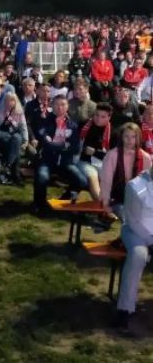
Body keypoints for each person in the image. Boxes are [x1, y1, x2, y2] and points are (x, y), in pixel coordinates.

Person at [114, 165, 153, 329]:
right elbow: (134, 220)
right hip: (135, 231)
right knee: (138, 255)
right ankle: (125, 308)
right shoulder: (134, 186)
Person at [33, 95, 88, 210]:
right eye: (57, 104)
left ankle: (63, 200)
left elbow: (76, 147)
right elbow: (45, 142)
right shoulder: (44, 121)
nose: (60, 107)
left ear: (67, 107)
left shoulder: (73, 124)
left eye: (63, 104)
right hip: (47, 159)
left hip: (65, 162)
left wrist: (55, 144)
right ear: (52, 106)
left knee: (82, 181)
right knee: (42, 177)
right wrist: (64, 145)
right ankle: (39, 204)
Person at [99, 123, 152, 221]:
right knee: (128, 217)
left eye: (133, 137)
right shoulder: (112, 156)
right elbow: (106, 182)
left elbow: (148, 185)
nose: (129, 140)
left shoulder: (146, 158)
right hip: (117, 199)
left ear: (138, 138)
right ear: (121, 137)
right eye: (126, 136)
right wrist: (105, 204)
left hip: (138, 200)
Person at [0, 92, 29, 185]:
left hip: (14, 138)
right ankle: (15, 175)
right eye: (7, 100)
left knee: (17, 138)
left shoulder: (19, 113)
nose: (9, 102)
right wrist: (7, 135)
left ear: (16, 102)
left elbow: (24, 128)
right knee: (16, 146)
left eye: (12, 100)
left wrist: (26, 140)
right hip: (0, 138)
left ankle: (7, 165)